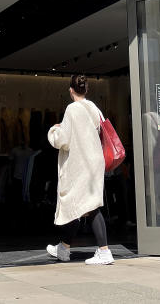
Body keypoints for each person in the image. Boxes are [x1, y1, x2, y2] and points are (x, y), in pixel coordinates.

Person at [45, 74, 113, 265]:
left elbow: (63, 140)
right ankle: (64, 248)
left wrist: (54, 129)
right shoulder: (94, 108)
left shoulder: (72, 109)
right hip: (94, 161)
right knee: (80, 205)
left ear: (70, 90)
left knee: (88, 206)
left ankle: (104, 251)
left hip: (80, 163)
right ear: (87, 89)